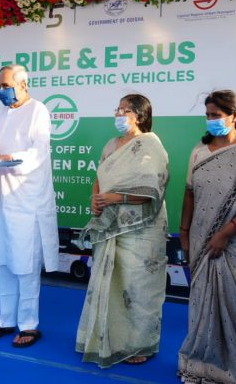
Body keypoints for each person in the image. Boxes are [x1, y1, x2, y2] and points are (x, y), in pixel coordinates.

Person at [177, 90, 236, 384]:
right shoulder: (199, 151)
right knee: (201, 302)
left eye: (216, 115)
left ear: (235, 116)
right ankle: (199, 365)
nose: (210, 120)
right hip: (202, 236)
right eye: (207, 115)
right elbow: (189, 194)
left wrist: (226, 234)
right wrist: (184, 233)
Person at [75, 94, 168, 367]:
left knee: (139, 287)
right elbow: (99, 176)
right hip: (109, 225)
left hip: (141, 230)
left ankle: (140, 344)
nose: (118, 114)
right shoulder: (111, 144)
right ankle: (107, 340)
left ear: (139, 115)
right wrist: (96, 199)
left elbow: (152, 189)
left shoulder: (151, 145)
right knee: (110, 283)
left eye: (125, 110)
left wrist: (115, 198)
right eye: (118, 109)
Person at [0, 64, 59, 348]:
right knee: (4, 260)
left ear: (23, 84)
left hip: (26, 199)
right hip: (1, 197)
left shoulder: (38, 110)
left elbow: (38, 151)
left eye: (6, 86)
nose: (1, 91)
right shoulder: (4, 113)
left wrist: (8, 157)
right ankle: (5, 319)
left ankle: (28, 324)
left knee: (25, 263)